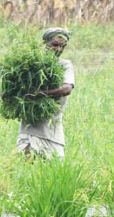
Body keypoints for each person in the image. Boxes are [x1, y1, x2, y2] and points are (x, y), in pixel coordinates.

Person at [15, 27, 75, 158]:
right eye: (54, 45)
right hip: (28, 132)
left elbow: (66, 89)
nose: (58, 49)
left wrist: (39, 93)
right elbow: (10, 92)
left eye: (62, 46)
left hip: (53, 132)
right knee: (26, 171)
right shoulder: (30, 64)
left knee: (56, 173)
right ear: (44, 43)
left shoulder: (64, 65)